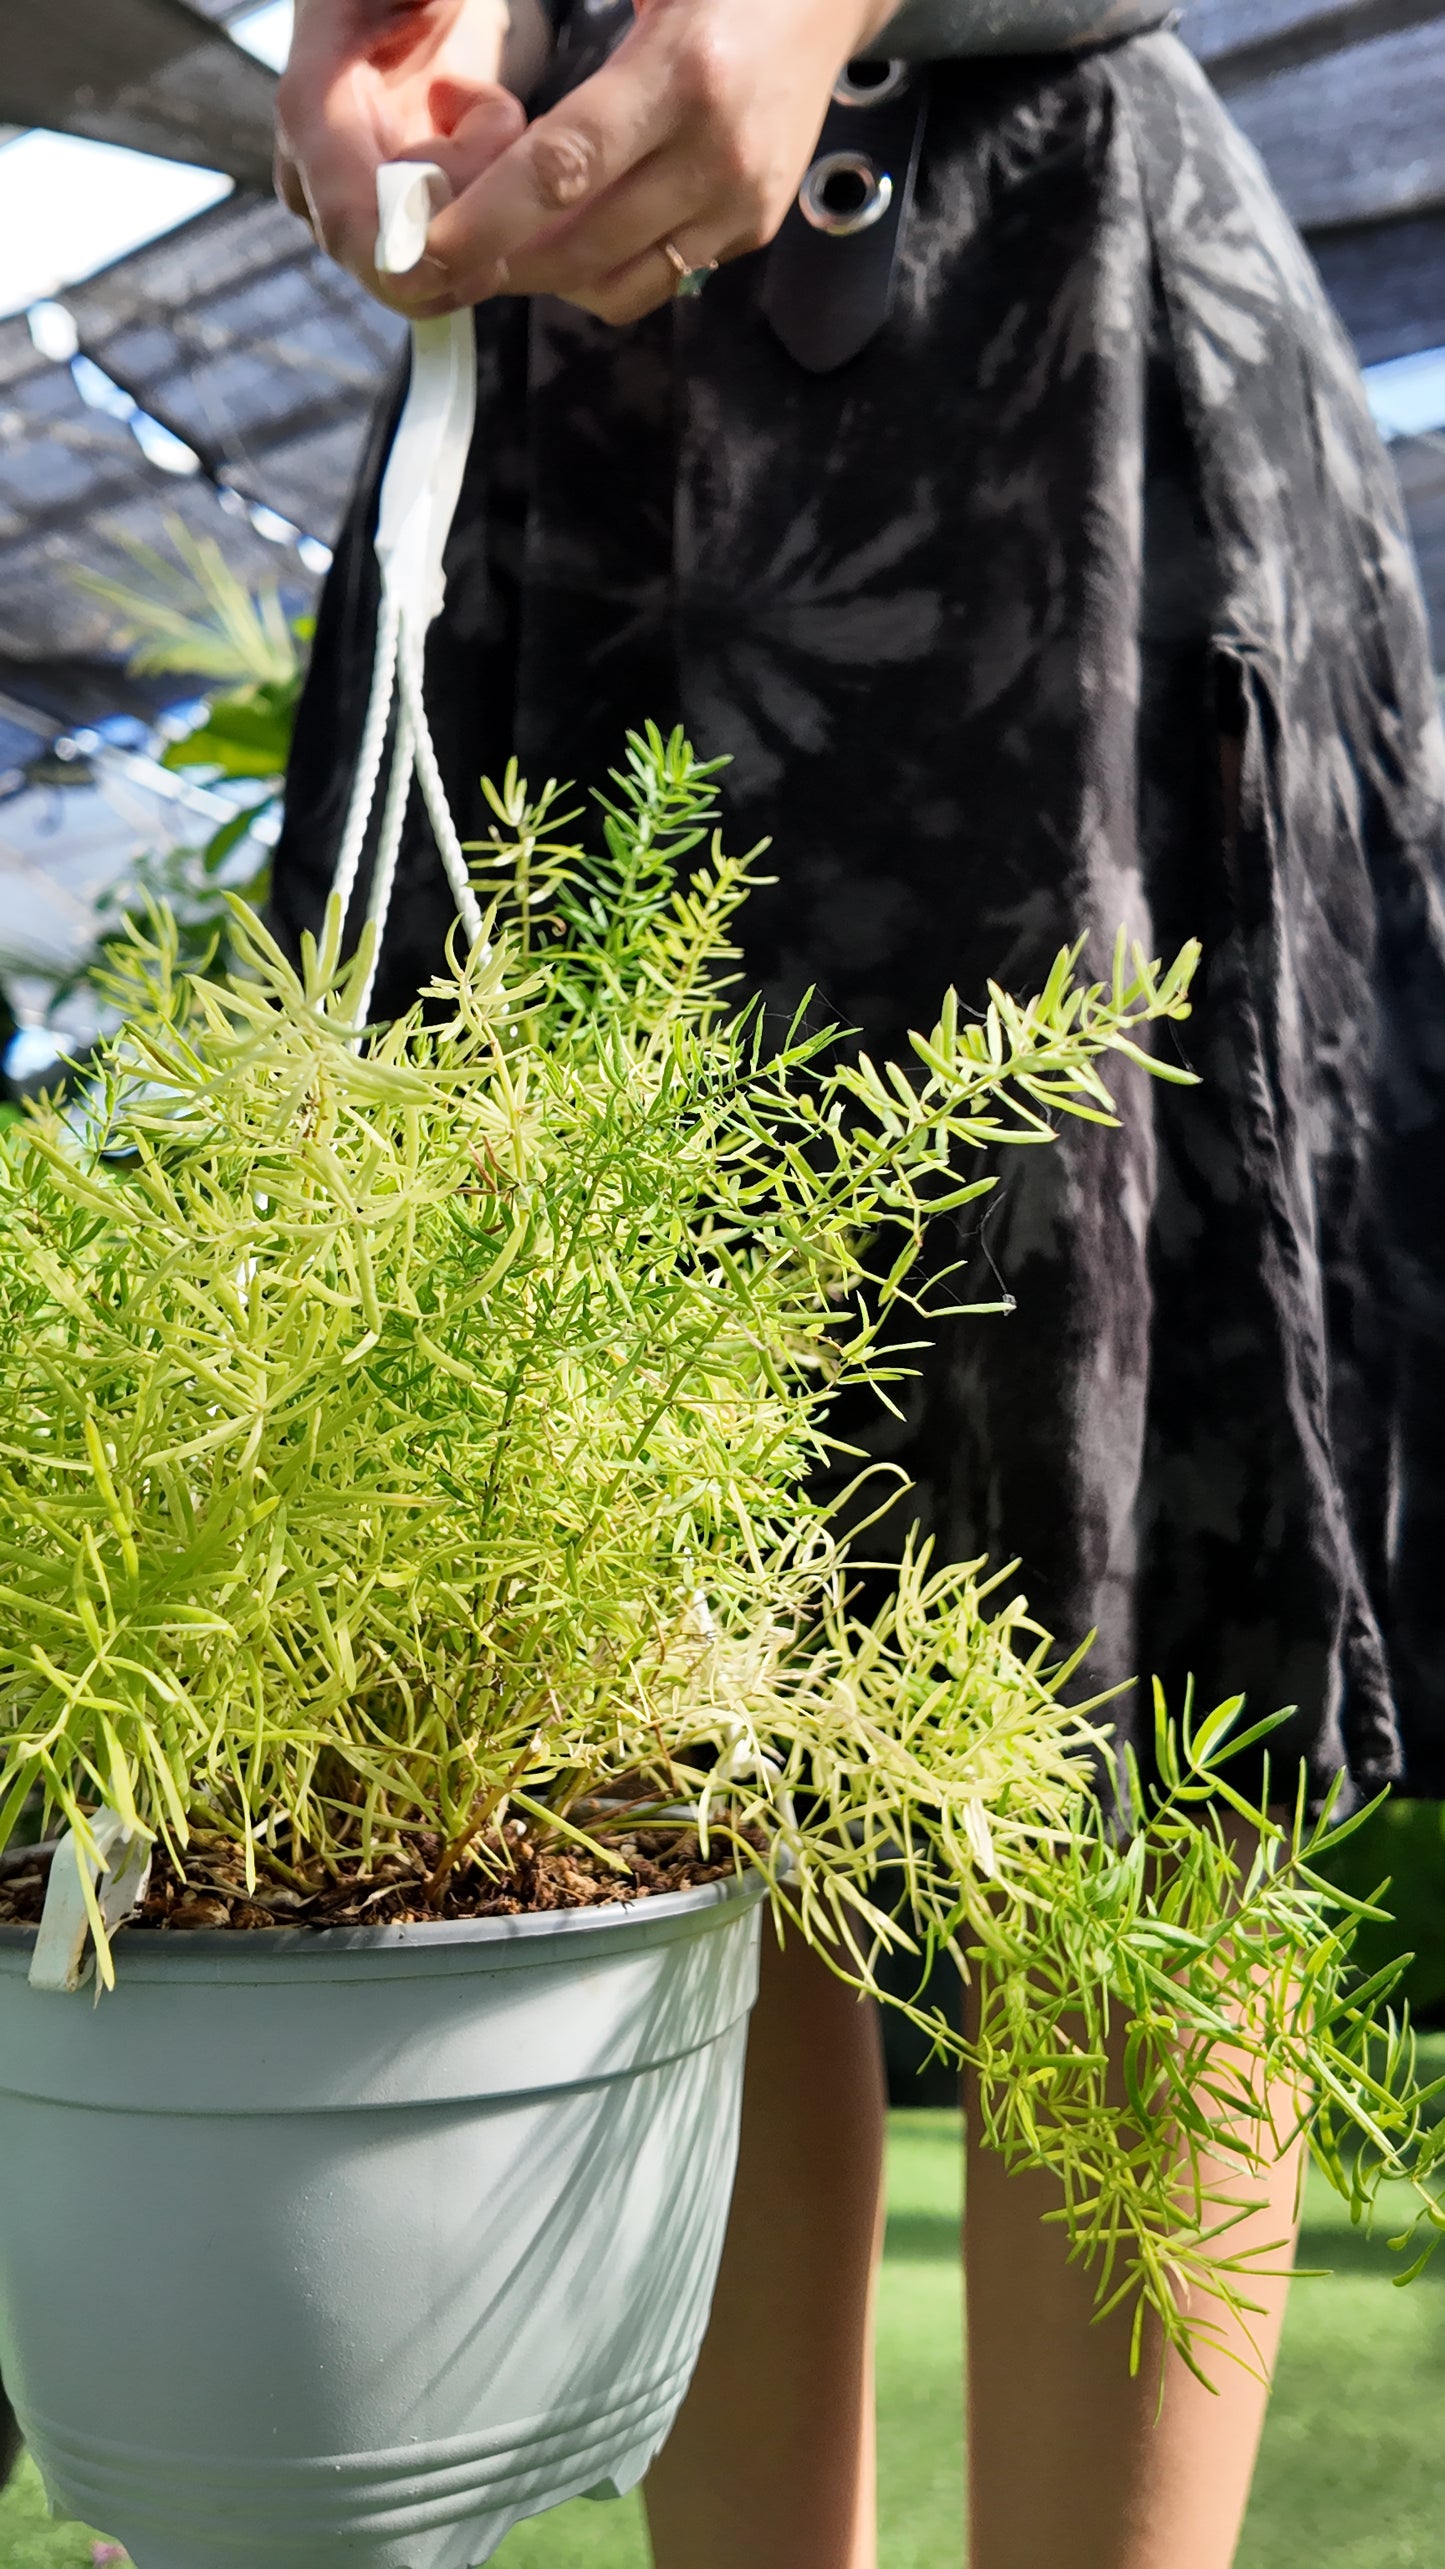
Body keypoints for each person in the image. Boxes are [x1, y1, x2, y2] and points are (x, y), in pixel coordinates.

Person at [264, 5, 1445, 2566]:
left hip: (1050, 331)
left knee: (1129, 1698)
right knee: (616, 1701)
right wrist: (379, 32)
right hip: (566, 408)